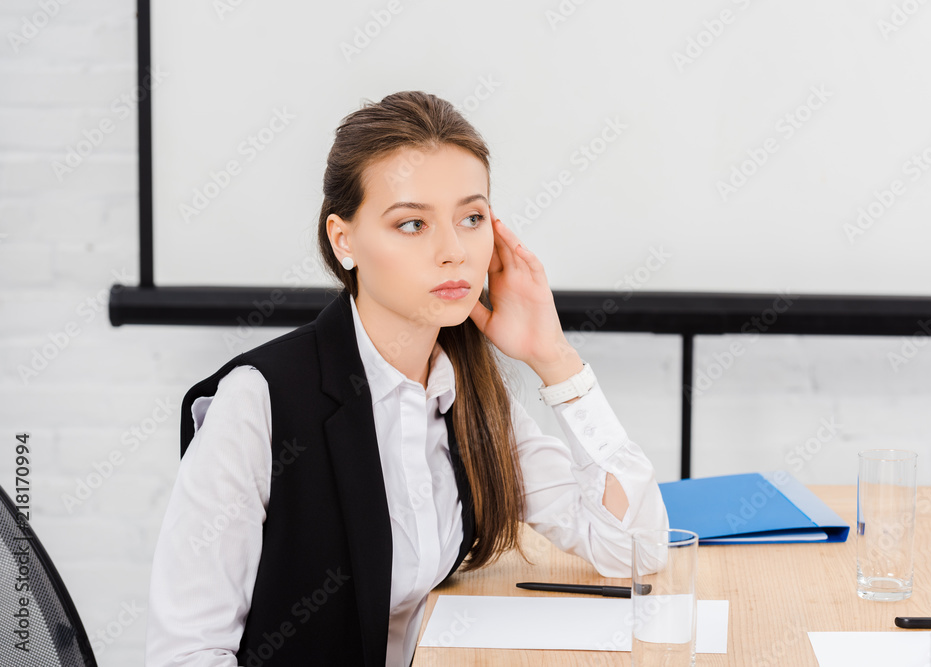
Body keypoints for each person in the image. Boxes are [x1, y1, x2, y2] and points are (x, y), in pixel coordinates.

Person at [144, 90, 669, 666]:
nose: (454, 251)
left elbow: (633, 549)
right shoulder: (259, 401)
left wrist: (554, 358)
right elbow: (187, 654)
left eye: (471, 219)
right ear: (344, 240)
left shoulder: (467, 390)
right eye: (413, 224)